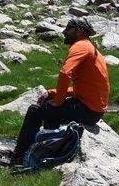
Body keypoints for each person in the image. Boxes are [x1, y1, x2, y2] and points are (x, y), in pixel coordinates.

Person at [12, 17, 110, 164]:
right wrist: (52, 93)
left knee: (35, 111)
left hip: (87, 110)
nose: (64, 32)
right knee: (51, 111)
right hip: (94, 111)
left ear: (79, 31)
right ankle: (48, 151)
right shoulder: (92, 49)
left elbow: (65, 73)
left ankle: (19, 157)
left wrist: (58, 101)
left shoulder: (80, 46)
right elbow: (84, 86)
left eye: (68, 29)